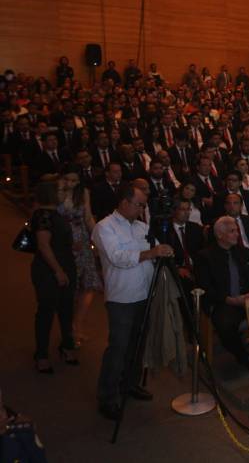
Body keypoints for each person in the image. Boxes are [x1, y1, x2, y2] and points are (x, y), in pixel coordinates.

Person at [92, 183, 175, 420]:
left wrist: (164, 249)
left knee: (138, 344)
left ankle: (130, 383)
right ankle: (107, 396)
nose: (141, 209)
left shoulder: (142, 227)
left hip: (145, 294)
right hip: (122, 297)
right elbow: (118, 258)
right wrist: (151, 253)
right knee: (118, 347)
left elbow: (156, 248)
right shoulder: (104, 227)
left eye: (144, 205)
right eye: (139, 204)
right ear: (124, 202)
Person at [194, 216, 249, 369]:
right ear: (219, 235)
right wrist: (229, 300)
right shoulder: (205, 256)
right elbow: (205, 287)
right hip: (224, 302)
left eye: (237, 230)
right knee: (225, 324)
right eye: (232, 231)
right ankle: (243, 357)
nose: (237, 234)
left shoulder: (243, 252)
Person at [30, 175, 78, 374]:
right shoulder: (42, 214)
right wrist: (58, 271)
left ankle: (66, 345)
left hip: (66, 263)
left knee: (67, 308)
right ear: (49, 192)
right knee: (47, 310)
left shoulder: (56, 213)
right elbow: (43, 245)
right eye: (60, 190)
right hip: (48, 268)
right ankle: (41, 354)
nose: (63, 193)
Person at [57, 170, 101, 348]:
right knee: (70, 288)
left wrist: (98, 238)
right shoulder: (55, 191)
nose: (70, 183)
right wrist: (60, 189)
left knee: (88, 285)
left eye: (74, 180)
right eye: (67, 178)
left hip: (82, 241)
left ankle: (78, 326)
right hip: (62, 241)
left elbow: (88, 217)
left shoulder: (83, 193)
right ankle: (67, 330)